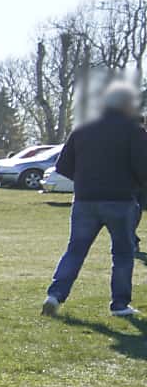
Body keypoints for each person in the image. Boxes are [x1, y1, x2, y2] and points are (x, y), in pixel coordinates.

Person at [42, 81, 147, 318]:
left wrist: (85, 180)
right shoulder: (133, 130)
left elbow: (64, 166)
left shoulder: (82, 128)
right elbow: (143, 167)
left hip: (85, 199)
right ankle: (119, 304)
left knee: (75, 250)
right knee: (122, 253)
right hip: (120, 200)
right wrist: (135, 185)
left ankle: (55, 295)